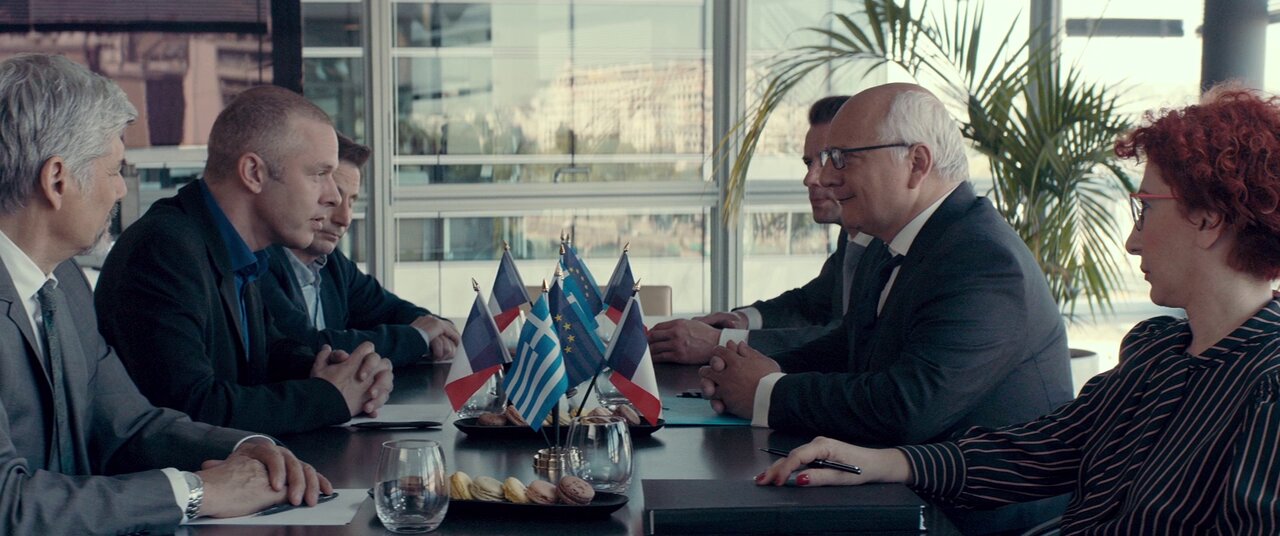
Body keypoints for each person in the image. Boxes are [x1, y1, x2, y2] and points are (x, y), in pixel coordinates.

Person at [759, 84, 1280, 534]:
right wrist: (886, 463)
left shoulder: (1269, 387)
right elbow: (1046, 448)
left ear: (1208, 220)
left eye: (1145, 207)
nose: (1131, 240)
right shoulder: (1157, 349)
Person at [704, 83, 1073, 533]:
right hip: (899, 493)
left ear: (916, 163)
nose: (823, 177)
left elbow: (909, 407)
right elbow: (850, 344)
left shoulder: (983, 258)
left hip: (972, 517)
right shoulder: (892, 240)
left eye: (842, 158)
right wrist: (753, 367)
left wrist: (766, 392)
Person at [0, 53, 331, 534]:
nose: (120, 191)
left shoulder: (64, 282)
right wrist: (197, 492)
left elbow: (129, 425)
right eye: (115, 169)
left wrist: (246, 447)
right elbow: (8, 506)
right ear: (57, 180)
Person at [96, 85, 394, 435]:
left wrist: (338, 372)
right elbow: (190, 409)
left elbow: (266, 354)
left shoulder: (240, 247)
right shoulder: (163, 249)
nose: (333, 197)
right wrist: (330, 396)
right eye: (319, 175)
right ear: (253, 173)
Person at [650, 95, 872, 364]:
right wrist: (741, 320)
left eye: (829, 159)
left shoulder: (888, 247)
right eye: (809, 163)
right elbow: (808, 304)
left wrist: (721, 342)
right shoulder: (852, 237)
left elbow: (842, 341)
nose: (810, 179)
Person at [259, 133, 461, 366]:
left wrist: (438, 327)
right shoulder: (259, 262)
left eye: (352, 201)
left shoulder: (332, 263)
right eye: (331, 199)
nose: (344, 218)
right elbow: (309, 346)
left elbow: (390, 309)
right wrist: (419, 336)